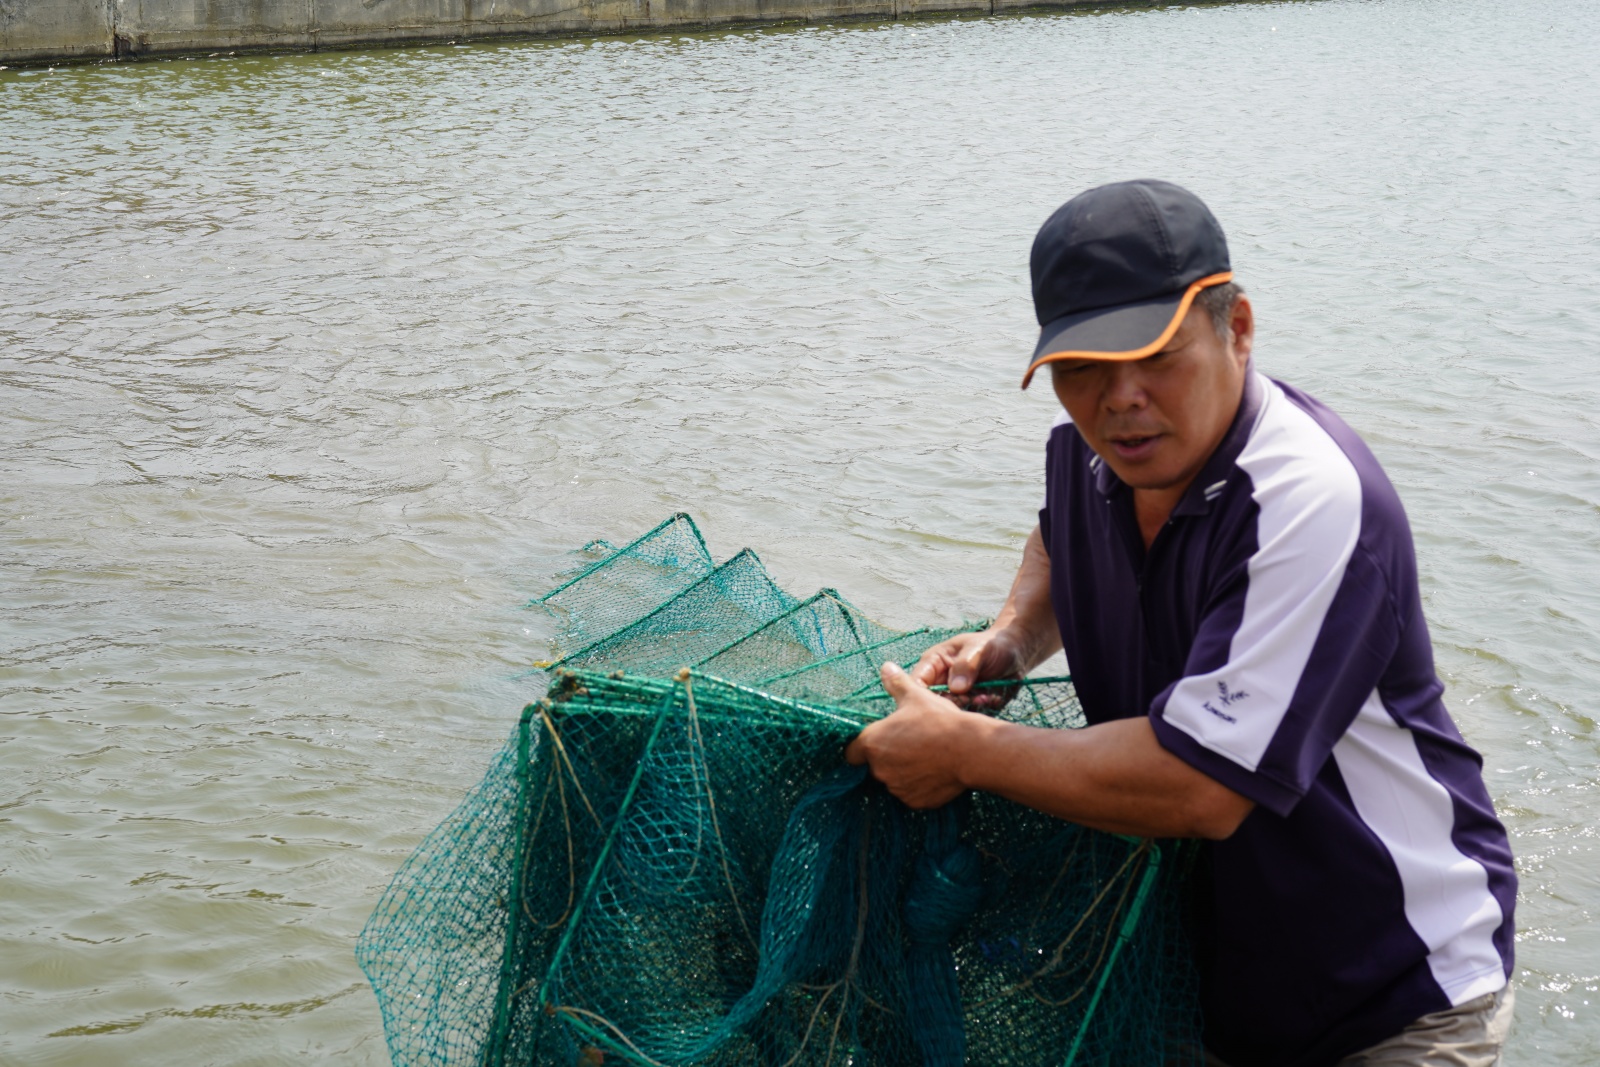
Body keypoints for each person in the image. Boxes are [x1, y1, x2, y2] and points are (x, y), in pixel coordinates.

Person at [844, 180, 1517, 1067]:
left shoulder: (1306, 501)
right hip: (1200, 976)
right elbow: (1056, 539)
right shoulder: (1093, 459)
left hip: (1396, 989)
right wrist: (1009, 638)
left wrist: (959, 751)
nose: (1121, 399)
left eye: (1156, 355)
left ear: (1236, 328)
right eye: (1083, 367)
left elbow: (1198, 787)